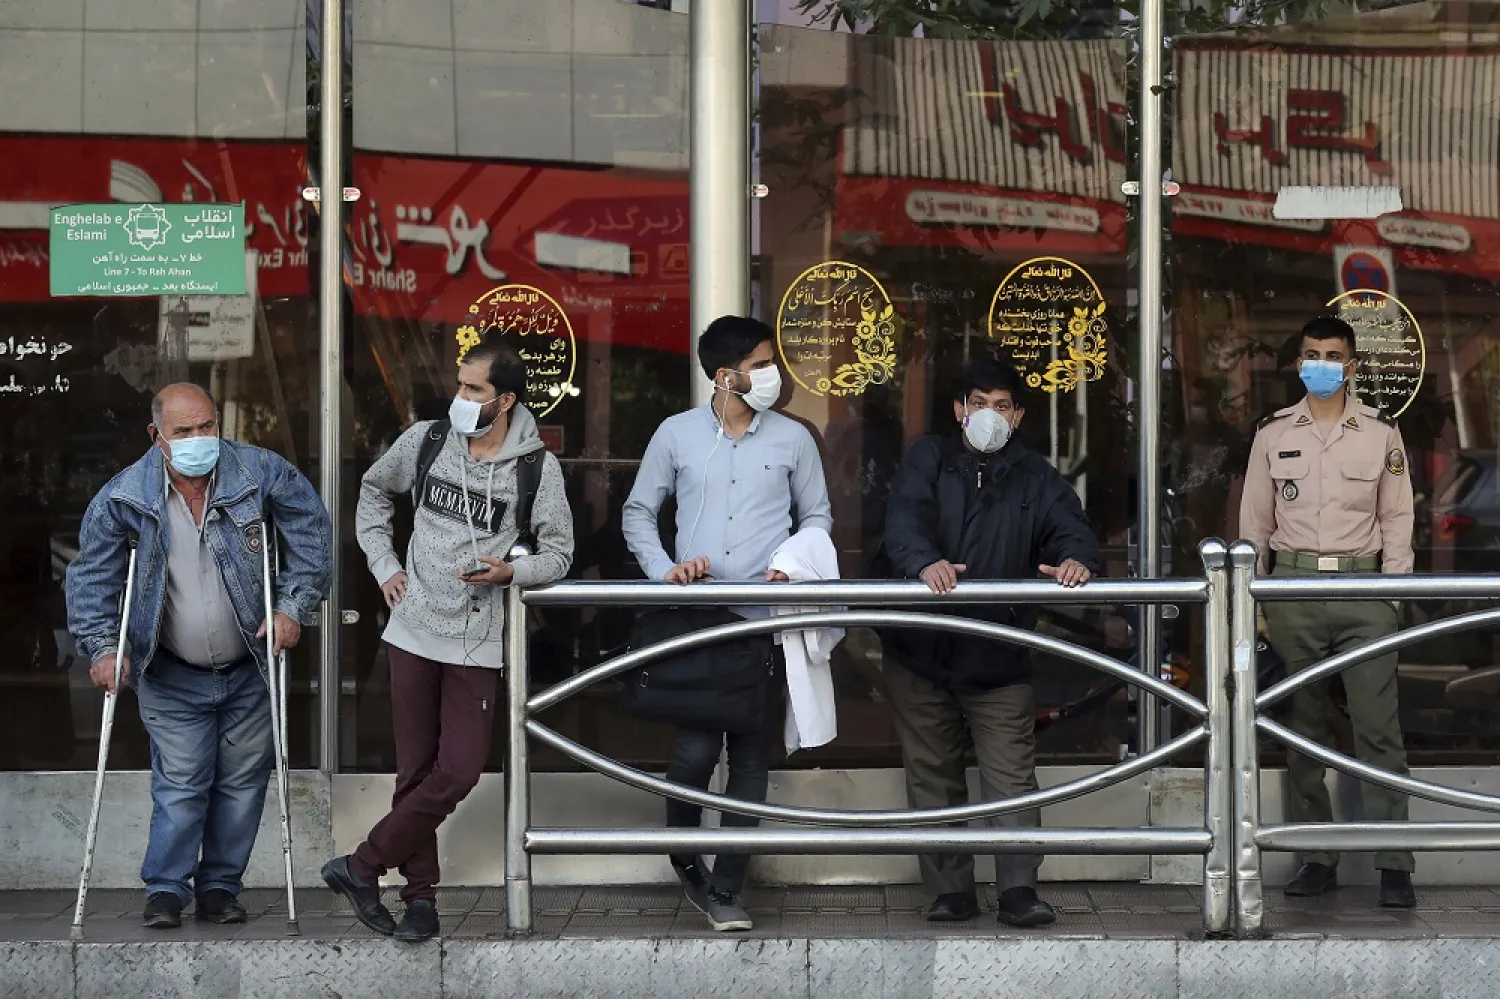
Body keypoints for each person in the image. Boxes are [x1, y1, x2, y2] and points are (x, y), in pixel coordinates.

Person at [323, 337, 574, 941]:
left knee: (458, 769)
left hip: (475, 638)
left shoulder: (535, 468)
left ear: (505, 400)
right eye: (460, 384)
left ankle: (361, 865)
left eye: (473, 388)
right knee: (414, 772)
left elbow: (560, 554)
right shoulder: (427, 439)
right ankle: (420, 900)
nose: (459, 396)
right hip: (411, 629)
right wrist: (384, 564)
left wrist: (512, 572)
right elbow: (373, 492)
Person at [65, 383, 332, 929]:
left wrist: (292, 607)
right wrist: (103, 648)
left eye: (206, 426)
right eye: (183, 431)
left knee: (241, 784)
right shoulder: (124, 497)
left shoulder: (260, 473)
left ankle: (219, 889)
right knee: (182, 783)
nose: (197, 439)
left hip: (250, 665)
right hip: (170, 671)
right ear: (156, 436)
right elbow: (92, 577)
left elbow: (311, 532)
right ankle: (166, 889)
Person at [621, 315, 832, 932]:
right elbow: (638, 513)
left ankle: (726, 887)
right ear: (724, 375)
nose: (773, 374)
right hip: (696, 618)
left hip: (763, 623)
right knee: (692, 753)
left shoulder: (794, 439)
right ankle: (687, 861)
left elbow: (817, 517)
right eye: (761, 364)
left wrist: (794, 563)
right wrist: (665, 571)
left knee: (750, 759)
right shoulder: (676, 434)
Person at [881, 358, 1098, 928]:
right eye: (978, 404)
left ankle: (1019, 891)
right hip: (920, 650)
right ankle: (950, 891)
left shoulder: (1036, 476)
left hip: (998, 653)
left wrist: (1076, 559)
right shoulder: (928, 458)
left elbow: (1071, 529)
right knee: (932, 774)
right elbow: (903, 520)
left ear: (1018, 416)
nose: (989, 415)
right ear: (959, 410)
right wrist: (923, 561)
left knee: (1011, 777)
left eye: (1002, 406)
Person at [1240, 314, 1416, 909]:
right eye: (1312, 354)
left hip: (1363, 591)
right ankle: (1316, 856)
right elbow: (1254, 526)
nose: (1321, 364)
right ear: (1298, 364)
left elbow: (1397, 519)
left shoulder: (1381, 432)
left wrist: (1392, 596)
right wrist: (1255, 601)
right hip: (1292, 589)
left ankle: (1394, 862)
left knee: (1378, 729)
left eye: (1333, 355)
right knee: (1303, 730)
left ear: (1352, 366)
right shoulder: (1272, 434)